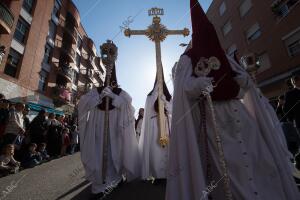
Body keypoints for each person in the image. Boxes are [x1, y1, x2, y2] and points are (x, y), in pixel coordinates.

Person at [166, 1, 300, 200]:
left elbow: (243, 82)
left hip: (241, 117)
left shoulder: (225, 57)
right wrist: (199, 85)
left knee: (259, 159)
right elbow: (184, 88)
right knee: (229, 165)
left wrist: (244, 81)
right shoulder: (187, 59)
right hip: (214, 120)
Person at [78, 44, 140, 199]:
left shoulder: (120, 92)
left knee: (115, 153)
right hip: (98, 127)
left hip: (116, 127)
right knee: (98, 153)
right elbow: (83, 104)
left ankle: (116, 178)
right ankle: (99, 184)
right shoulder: (96, 91)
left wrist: (114, 97)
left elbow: (129, 106)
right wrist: (99, 97)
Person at [139, 73, 172, 183]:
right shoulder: (150, 96)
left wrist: (166, 102)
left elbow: (173, 110)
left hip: (167, 125)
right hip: (154, 126)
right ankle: (158, 176)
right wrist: (155, 93)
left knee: (167, 150)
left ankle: (168, 174)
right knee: (156, 151)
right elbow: (148, 107)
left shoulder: (168, 95)